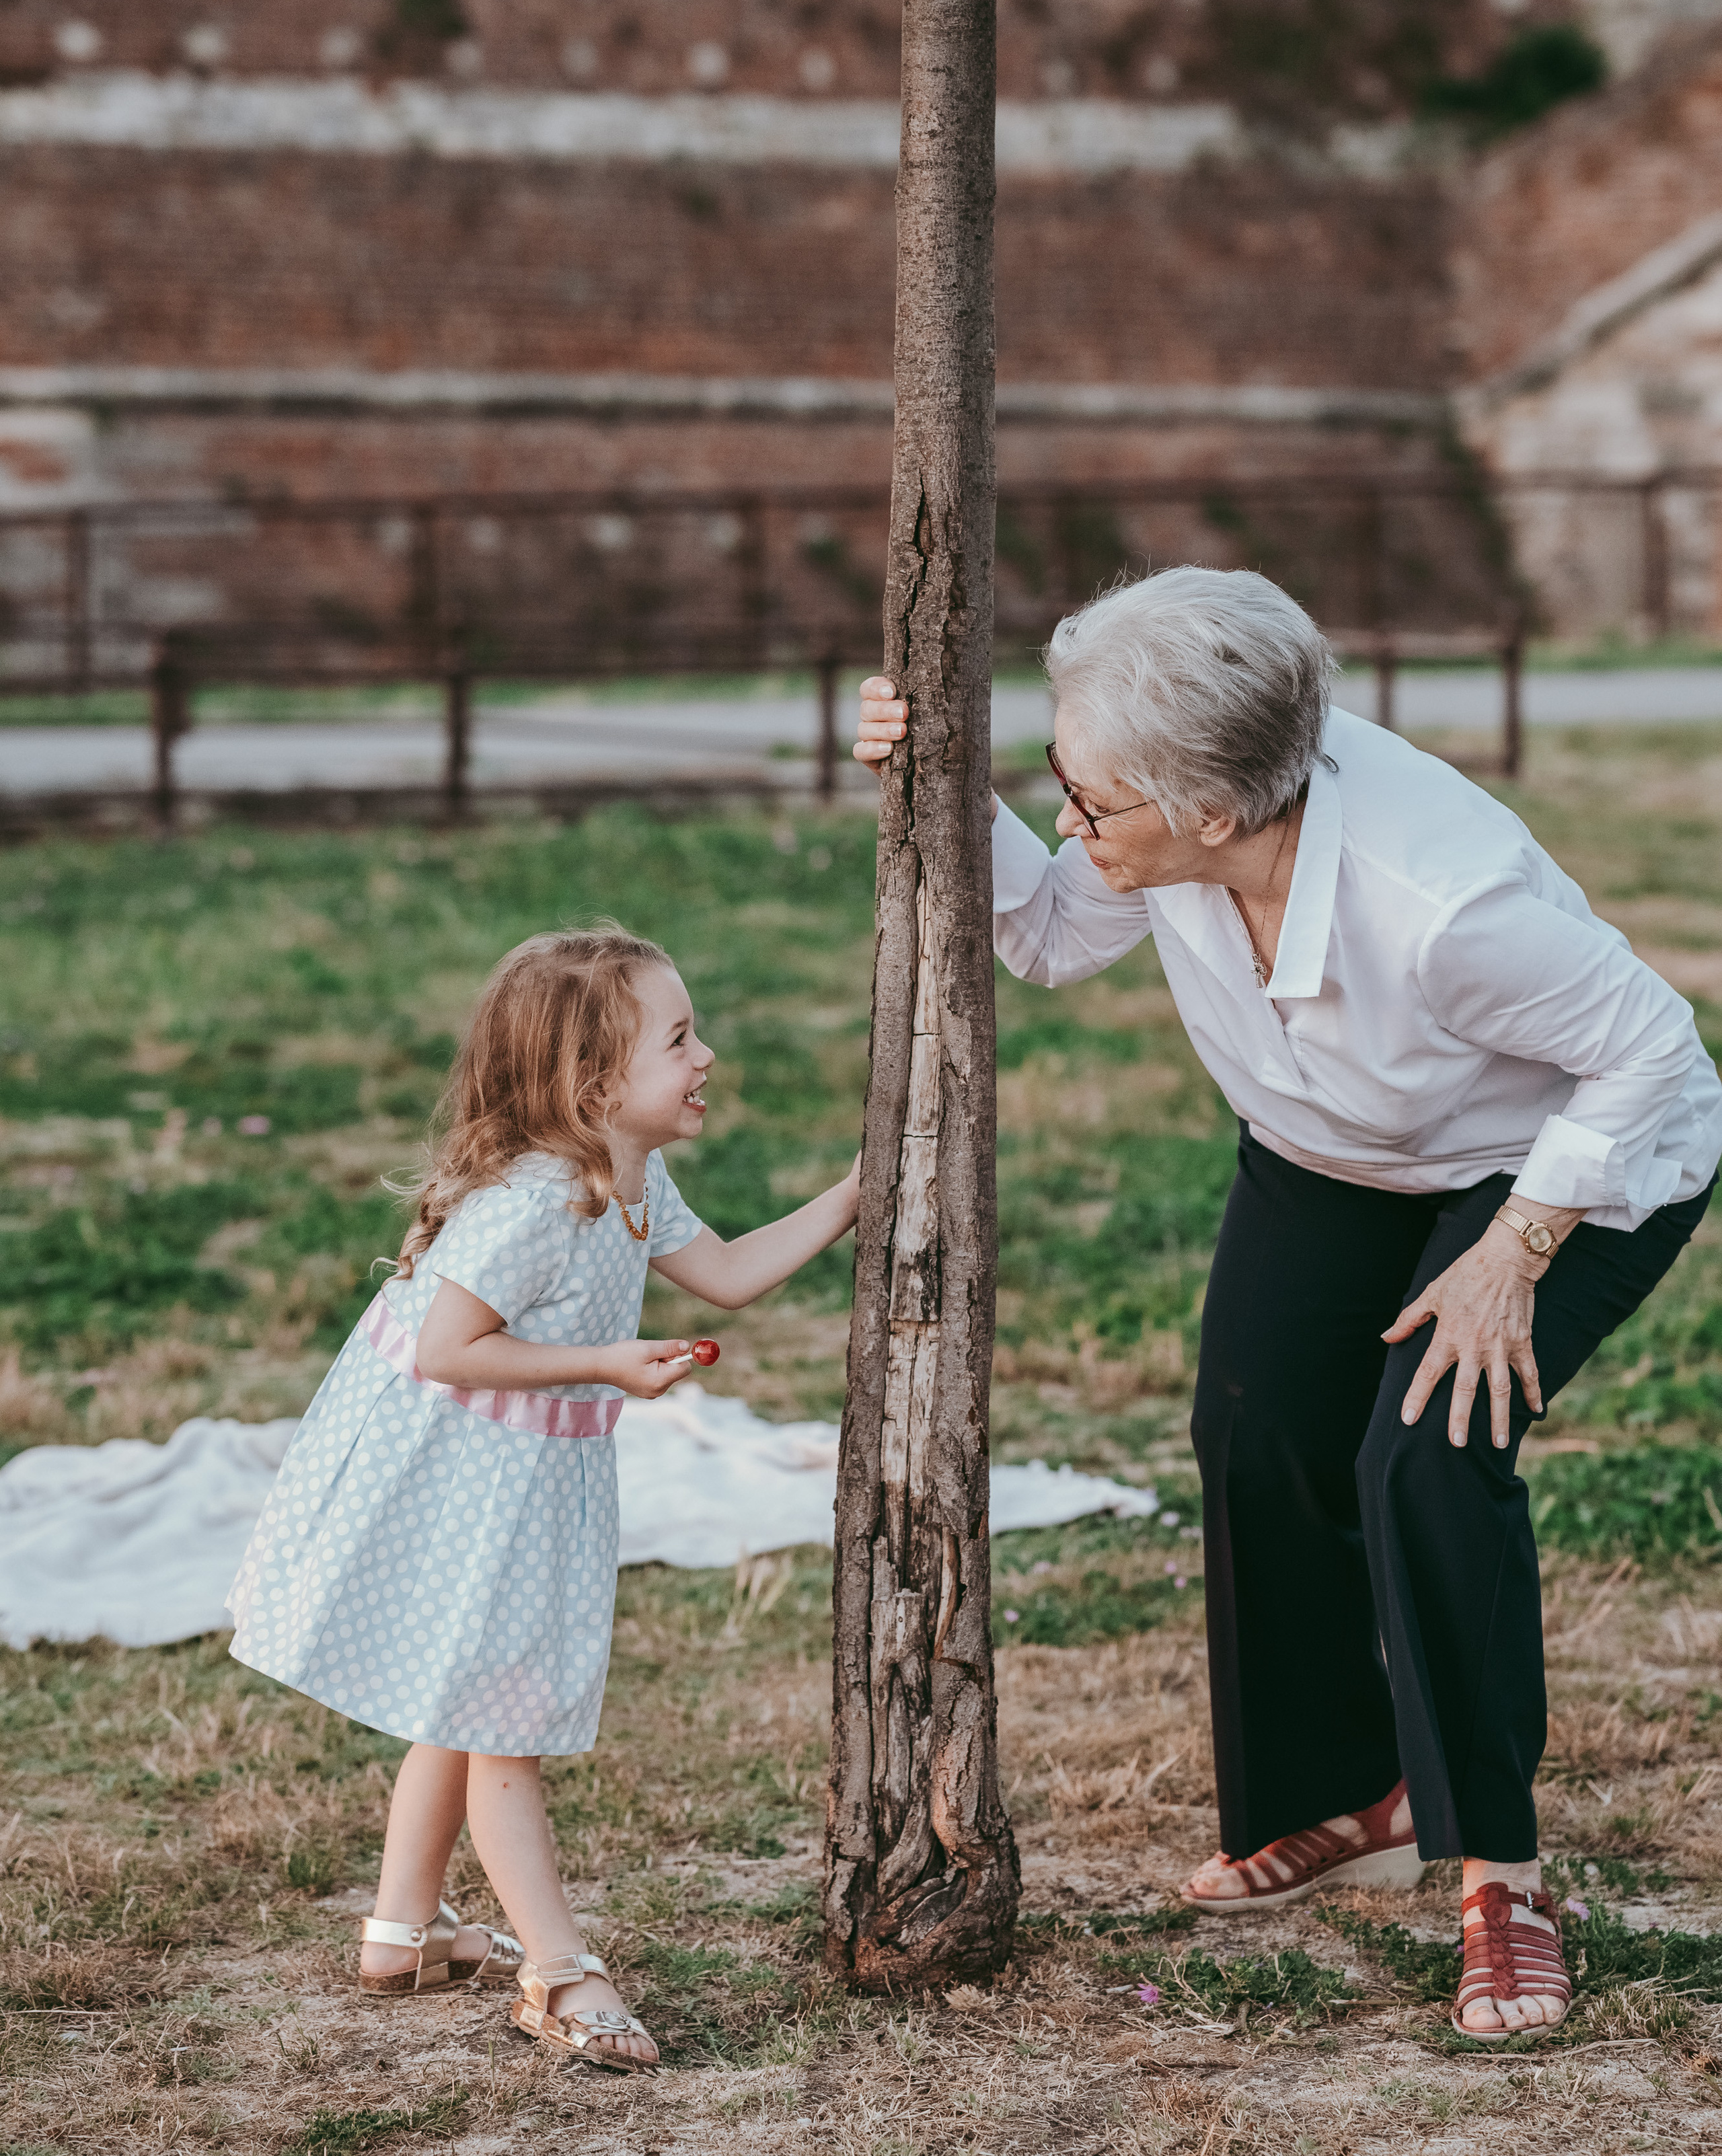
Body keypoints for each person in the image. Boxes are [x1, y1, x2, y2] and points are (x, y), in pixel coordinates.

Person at [853, 566, 1721, 2044]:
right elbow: (1052, 934)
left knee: (1425, 1454)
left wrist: (1512, 1250)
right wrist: (941, 789)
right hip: (1328, 1148)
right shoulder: (1180, 833)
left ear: (1210, 807)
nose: (1069, 815)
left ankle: (1502, 1880)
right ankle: (1346, 1794)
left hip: (1556, 1160)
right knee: (1250, 1433)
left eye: (1088, 796)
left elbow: (1648, 1042)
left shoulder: (1442, 903)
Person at [229, 925, 860, 2072]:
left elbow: (727, 1274)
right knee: (501, 1719)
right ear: (593, 1083)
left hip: (519, 1478)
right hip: (462, 1475)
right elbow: (445, 1349)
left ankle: (400, 1932)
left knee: (467, 1699)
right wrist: (604, 1364)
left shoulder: (632, 1175)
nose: (707, 1054)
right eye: (680, 1038)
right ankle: (562, 1969)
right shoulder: (535, 1200)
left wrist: (861, 1191)